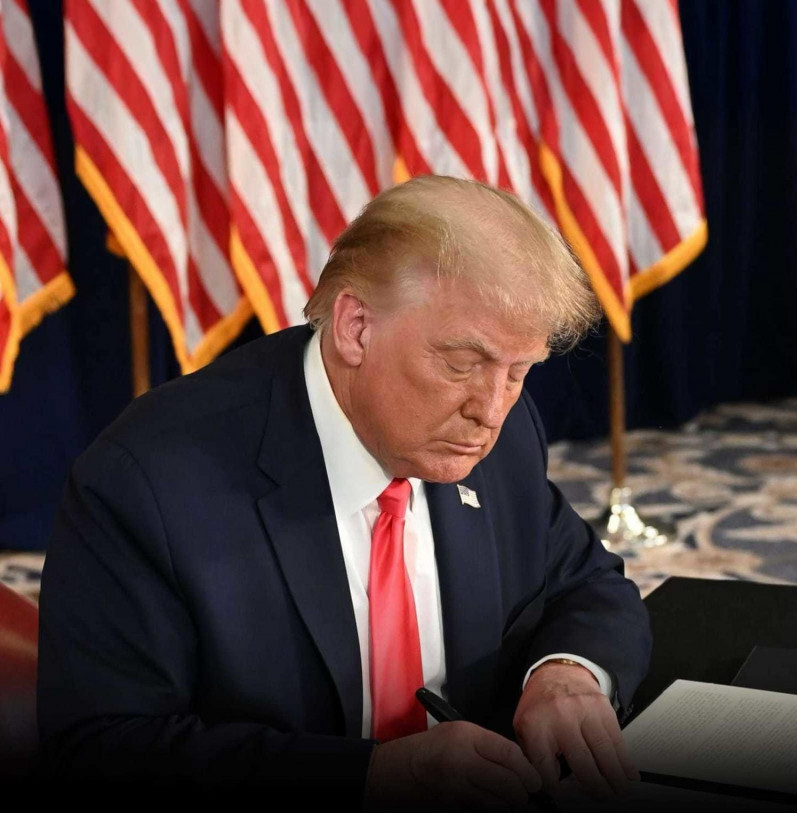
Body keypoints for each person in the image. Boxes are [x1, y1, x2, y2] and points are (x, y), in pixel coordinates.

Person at [37, 176, 652, 808]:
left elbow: (588, 583)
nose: (491, 410)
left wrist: (565, 675)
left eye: (519, 371)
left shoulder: (503, 435)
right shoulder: (147, 483)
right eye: (460, 364)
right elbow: (100, 749)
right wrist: (371, 777)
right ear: (355, 327)